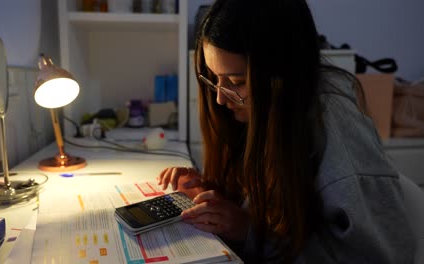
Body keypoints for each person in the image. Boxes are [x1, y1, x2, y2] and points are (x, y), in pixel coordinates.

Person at [158, 0, 415, 262]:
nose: (220, 100)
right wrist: (214, 195)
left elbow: (375, 257)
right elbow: (275, 207)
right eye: (214, 78)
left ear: (282, 72)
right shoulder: (267, 110)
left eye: (236, 81)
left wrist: (249, 231)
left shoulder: (335, 130)